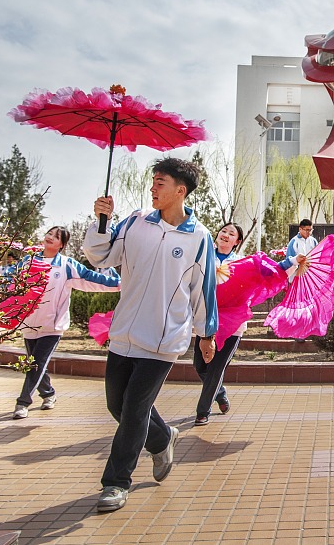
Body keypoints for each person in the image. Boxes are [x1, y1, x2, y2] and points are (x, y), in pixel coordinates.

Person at [84, 157, 219, 513]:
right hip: (125, 330)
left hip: (164, 339)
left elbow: (202, 289)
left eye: (161, 182)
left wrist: (206, 333)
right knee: (118, 405)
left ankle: (116, 482)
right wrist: (102, 221)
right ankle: (162, 437)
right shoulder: (135, 222)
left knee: (133, 410)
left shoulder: (198, 237)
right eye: (153, 181)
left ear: (180, 190)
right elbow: (100, 256)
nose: (153, 188)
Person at [12, 226, 120, 419]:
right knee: (35, 364)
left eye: (56, 237)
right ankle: (48, 393)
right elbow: (9, 283)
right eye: (49, 234)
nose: (50, 237)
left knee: (36, 364)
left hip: (52, 327)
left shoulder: (66, 265)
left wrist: (121, 284)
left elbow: (91, 278)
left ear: (62, 244)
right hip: (29, 324)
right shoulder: (27, 263)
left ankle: (23, 402)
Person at [192, 222, 245, 426]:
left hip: (232, 324)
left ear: (236, 241)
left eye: (231, 233)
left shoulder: (239, 262)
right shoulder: (204, 255)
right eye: (223, 231)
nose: (225, 235)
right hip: (206, 320)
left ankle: (202, 411)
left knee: (216, 368)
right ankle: (220, 393)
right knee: (200, 365)